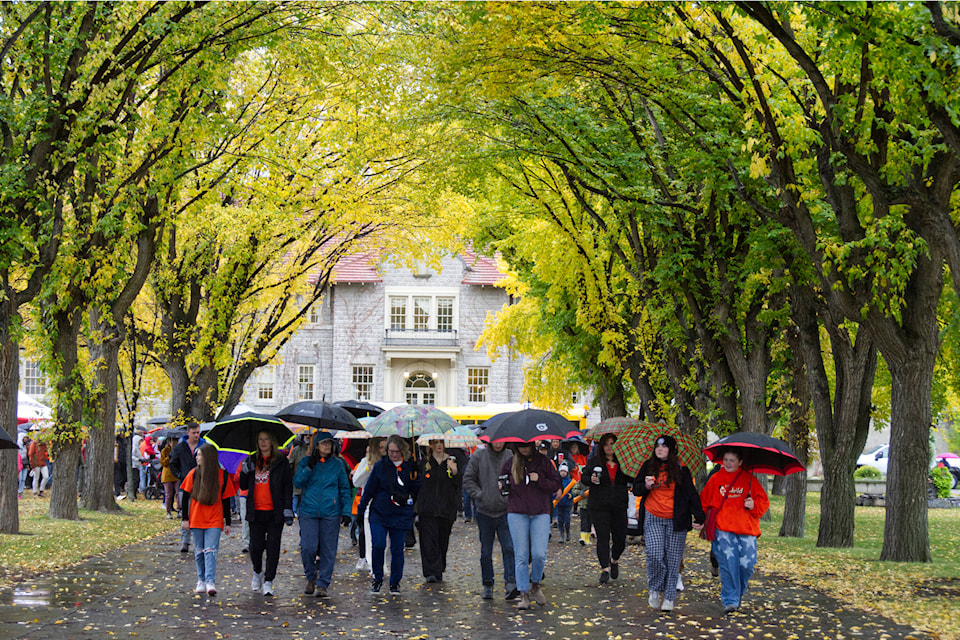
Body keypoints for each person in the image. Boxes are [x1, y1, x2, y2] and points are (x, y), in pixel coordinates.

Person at [634, 434, 705, 612]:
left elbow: (691, 495)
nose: (660, 449)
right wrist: (646, 485)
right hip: (653, 517)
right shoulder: (648, 467)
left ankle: (669, 597)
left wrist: (699, 516)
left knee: (673, 561)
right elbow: (636, 489)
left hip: (676, 520)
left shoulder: (682, 470)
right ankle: (655, 588)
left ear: (671, 450)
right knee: (655, 554)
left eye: (664, 447)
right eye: (657, 446)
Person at [699, 448, 769, 614]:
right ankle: (730, 600)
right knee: (728, 563)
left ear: (740, 462)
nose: (728, 463)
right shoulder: (716, 479)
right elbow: (704, 502)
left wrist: (754, 506)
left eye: (732, 460)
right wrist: (699, 520)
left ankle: (738, 592)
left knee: (747, 564)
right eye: (726, 459)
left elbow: (763, 503)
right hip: (722, 529)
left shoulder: (749, 479)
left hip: (747, 529)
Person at [357, 434, 421, 594]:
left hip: (401, 513)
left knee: (397, 549)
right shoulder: (380, 466)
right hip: (379, 512)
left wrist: (416, 476)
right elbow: (370, 489)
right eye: (391, 451)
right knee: (378, 544)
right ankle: (377, 577)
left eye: (396, 451)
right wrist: (361, 508)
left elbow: (416, 490)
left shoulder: (409, 467)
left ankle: (395, 582)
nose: (393, 454)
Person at [501, 441, 561, 610]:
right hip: (517, 512)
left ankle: (535, 583)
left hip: (540, 512)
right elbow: (504, 485)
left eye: (527, 445)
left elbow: (555, 483)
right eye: (520, 446)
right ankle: (523, 594)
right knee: (521, 555)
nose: (524, 449)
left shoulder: (543, 462)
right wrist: (502, 487)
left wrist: (539, 479)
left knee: (539, 554)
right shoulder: (510, 464)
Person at [293, 431, 352, 598]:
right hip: (309, 510)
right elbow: (297, 482)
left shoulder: (338, 464)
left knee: (328, 549)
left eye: (329, 443)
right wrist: (308, 468)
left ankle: (323, 583)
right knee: (308, 547)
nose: (327, 446)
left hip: (330, 512)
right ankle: (311, 576)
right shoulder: (306, 461)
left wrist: (346, 511)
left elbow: (344, 489)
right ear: (316, 445)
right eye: (323, 443)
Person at [239, 430, 294, 597]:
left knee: (273, 547)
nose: (263, 443)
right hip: (256, 512)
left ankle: (269, 580)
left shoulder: (281, 461)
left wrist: (287, 508)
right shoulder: (251, 460)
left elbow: (287, 486)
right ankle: (257, 572)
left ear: (272, 442)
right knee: (255, 547)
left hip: (274, 512)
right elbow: (243, 486)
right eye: (260, 439)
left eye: (267, 440)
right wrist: (244, 471)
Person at [463, 440, 517, 601]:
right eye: (495, 441)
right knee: (486, 551)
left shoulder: (510, 456)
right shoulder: (478, 456)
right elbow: (468, 479)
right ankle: (487, 583)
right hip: (484, 511)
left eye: (501, 441)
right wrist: (480, 495)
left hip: (505, 510)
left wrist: (510, 492)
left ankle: (511, 582)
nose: (498, 444)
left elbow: (518, 478)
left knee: (509, 547)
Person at [180, 443, 235, 596]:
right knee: (199, 551)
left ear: (207, 457)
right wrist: (185, 518)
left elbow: (226, 500)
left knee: (210, 551)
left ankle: (210, 581)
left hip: (214, 519)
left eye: (199, 455)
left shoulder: (222, 475)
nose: (196, 457)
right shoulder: (193, 474)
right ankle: (201, 579)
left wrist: (228, 522)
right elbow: (185, 496)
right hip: (196, 517)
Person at [582, 433, 631, 585]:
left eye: (612, 443)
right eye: (606, 444)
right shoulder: (595, 461)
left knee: (620, 539)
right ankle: (604, 569)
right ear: (602, 447)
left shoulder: (623, 462)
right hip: (599, 505)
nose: (610, 446)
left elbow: (633, 479)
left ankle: (614, 560)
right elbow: (584, 477)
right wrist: (591, 479)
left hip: (619, 505)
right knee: (602, 538)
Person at [417, 438, 461, 583]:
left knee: (442, 539)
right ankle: (431, 571)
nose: (438, 446)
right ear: (430, 445)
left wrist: (454, 472)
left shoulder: (451, 462)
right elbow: (418, 483)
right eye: (435, 443)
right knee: (429, 541)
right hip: (428, 509)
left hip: (446, 508)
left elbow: (458, 485)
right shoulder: (425, 463)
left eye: (441, 442)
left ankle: (439, 567)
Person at [170, 422, 205, 553]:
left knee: (199, 511)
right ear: (188, 433)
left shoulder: (204, 445)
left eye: (198, 432)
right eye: (194, 433)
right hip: (185, 482)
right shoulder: (180, 448)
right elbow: (172, 464)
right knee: (185, 510)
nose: (196, 435)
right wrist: (180, 475)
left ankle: (198, 541)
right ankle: (185, 540)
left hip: (201, 484)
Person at [352, 437, 385, 573]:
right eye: (381, 447)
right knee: (371, 539)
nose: (384, 450)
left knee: (383, 541)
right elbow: (356, 482)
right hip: (369, 507)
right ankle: (373, 566)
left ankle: (381, 564)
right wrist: (367, 469)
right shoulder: (365, 462)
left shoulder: (389, 462)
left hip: (386, 506)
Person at [554, 462, 578, 543]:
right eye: (561, 471)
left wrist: (571, 495)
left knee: (567, 520)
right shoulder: (557, 481)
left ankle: (567, 532)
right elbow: (553, 491)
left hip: (567, 504)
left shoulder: (570, 482)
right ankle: (561, 535)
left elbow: (574, 491)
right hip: (559, 504)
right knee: (560, 520)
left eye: (564, 471)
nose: (563, 473)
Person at [159, 438, 178, 518]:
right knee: (169, 494)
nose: (174, 443)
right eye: (172, 442)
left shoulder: (178, 450)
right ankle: (168, 510)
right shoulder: (165, 451)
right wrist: (169, 458)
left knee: (178, 493)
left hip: (176, 474)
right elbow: (163, 463)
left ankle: (179, 509)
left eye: (175, 442)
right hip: (167, 475)